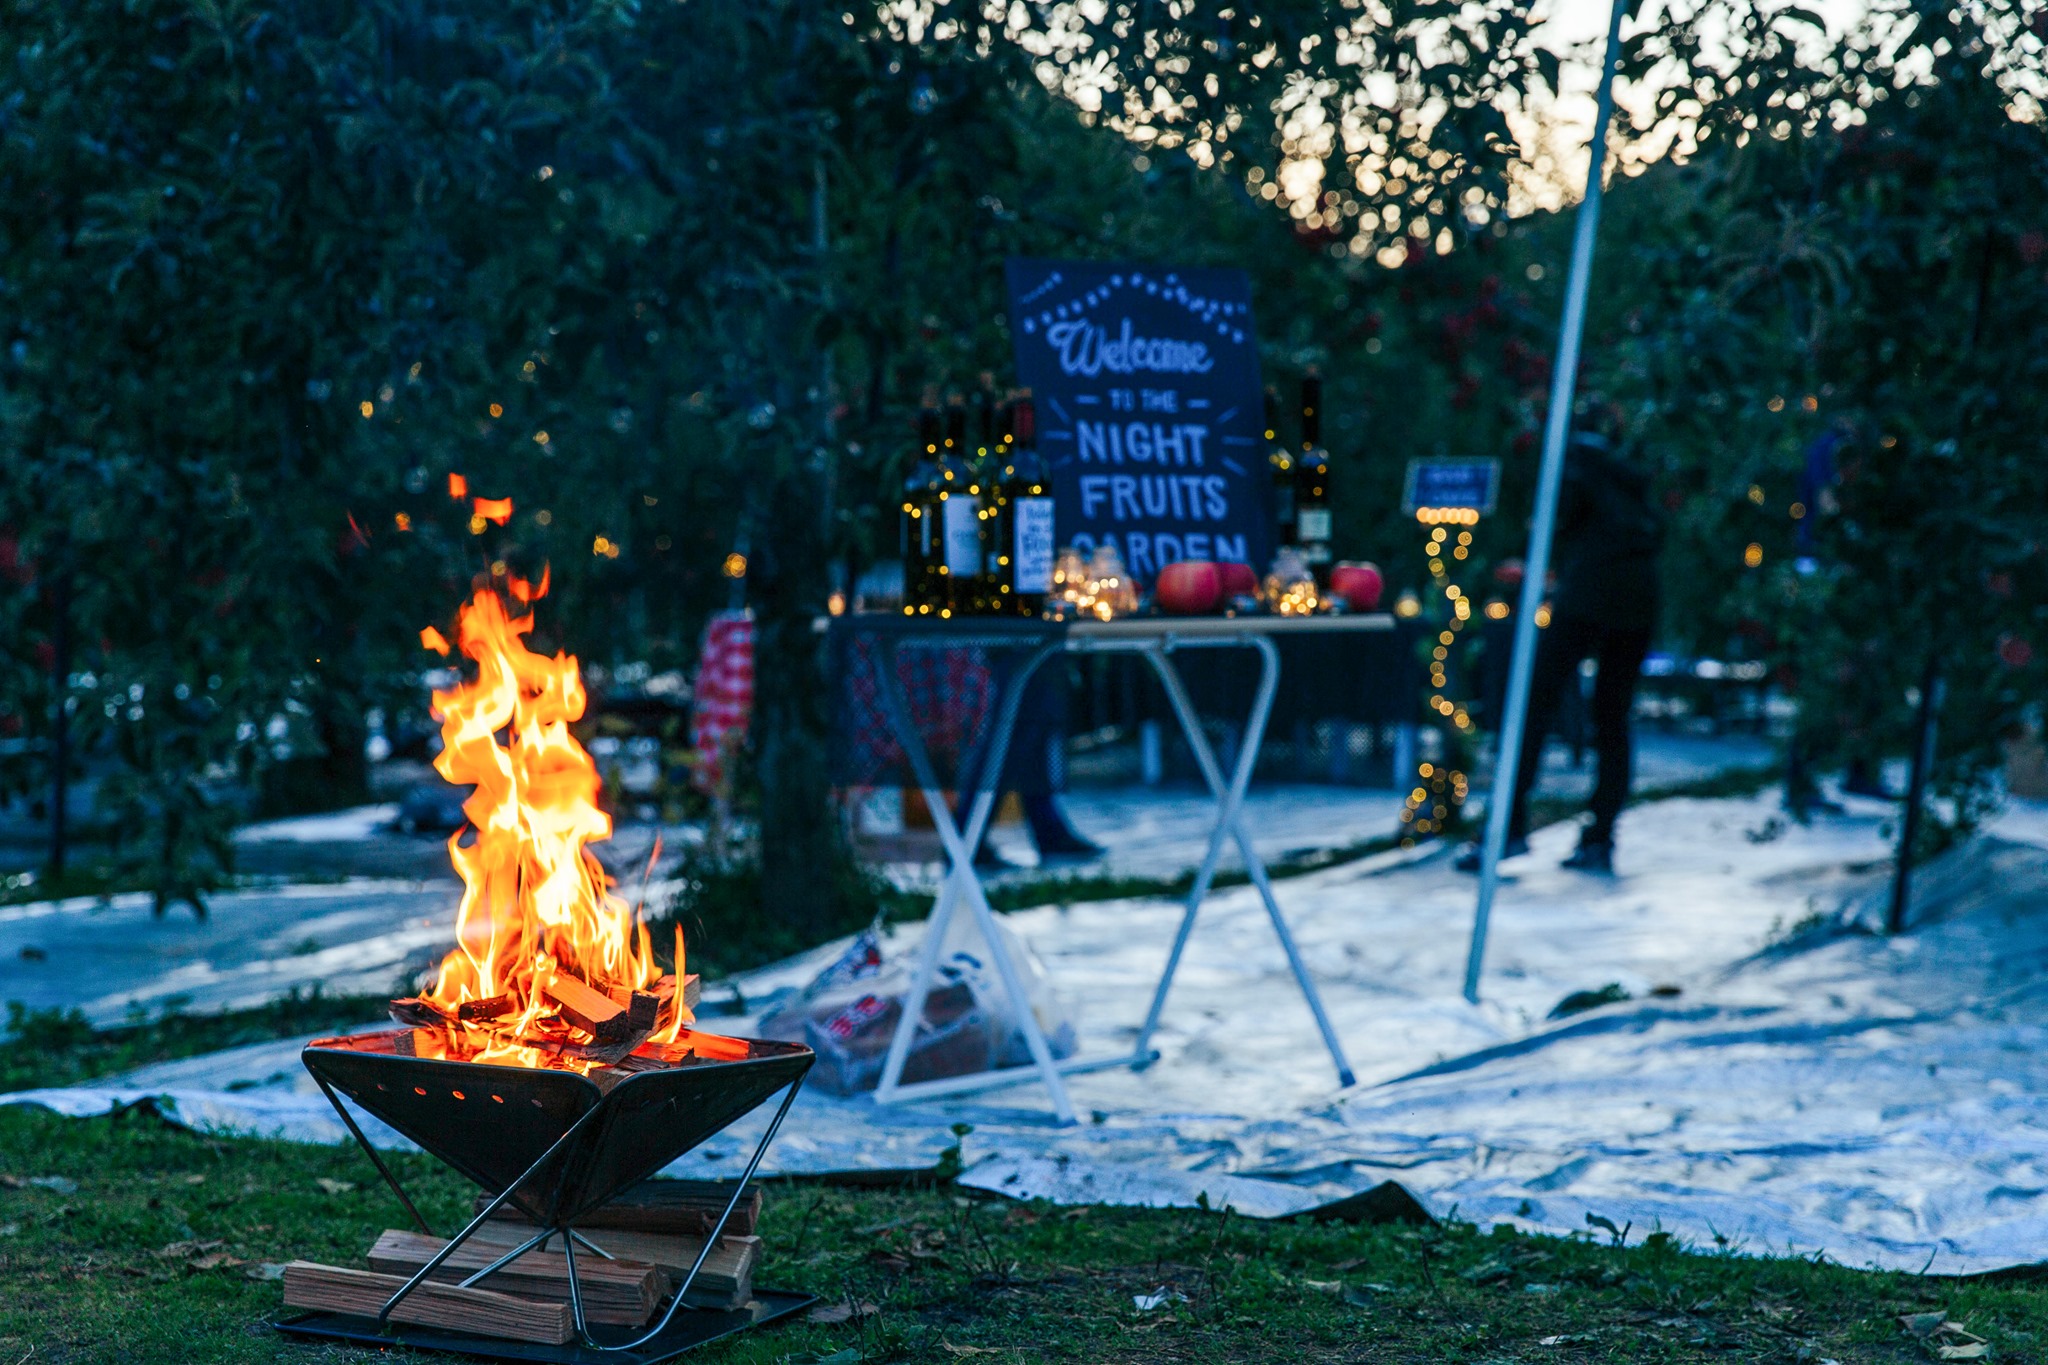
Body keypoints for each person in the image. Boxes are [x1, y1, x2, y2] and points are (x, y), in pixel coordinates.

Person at [1459, 414, 1664, 874]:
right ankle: (1599, 836)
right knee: (1612, 717)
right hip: (1639, 594)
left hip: (1591, 591)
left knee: (1532, 706)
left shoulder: (1570, 465)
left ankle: (1509, 829)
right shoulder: (1622, 478)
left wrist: (1542, 546)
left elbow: (1556, 520)